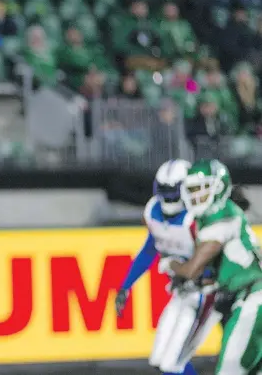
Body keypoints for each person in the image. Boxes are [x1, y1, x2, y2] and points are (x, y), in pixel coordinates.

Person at [115, 159, 220, 375]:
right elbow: (148, 251)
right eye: (165, 191)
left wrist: (204, 275)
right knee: (161, 359)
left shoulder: (197, 217)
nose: (169, 197)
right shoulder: (154, 211)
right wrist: (125, 286)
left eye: (173, 191)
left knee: (173, 362)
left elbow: (217, 257)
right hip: (181, 292)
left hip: (204, 293)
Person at [164, 160, 262, 375]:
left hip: (253, 300)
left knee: (229, 370)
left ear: (218, 187)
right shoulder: (223, 213)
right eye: (192, 190)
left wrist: (170, 264)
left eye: (201, 189)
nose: (196, 196)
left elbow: (192, 269)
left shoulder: (221, 215)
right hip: (249, 297)